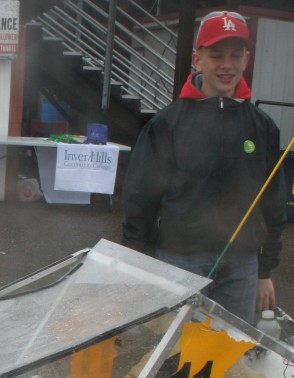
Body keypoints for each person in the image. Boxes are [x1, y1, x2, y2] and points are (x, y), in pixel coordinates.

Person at [122, 11, 285, 325]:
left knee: (233, 354)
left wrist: (265, 270)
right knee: (178, 354)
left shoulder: (262, 127)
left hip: (242, 265)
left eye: (236, 55)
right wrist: (137, 264)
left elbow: (273, 203)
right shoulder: (167, 123)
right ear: (198, 59)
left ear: (247, 58)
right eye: (216, 55)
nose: (227, 65)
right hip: (179, 260)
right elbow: (140, 196)